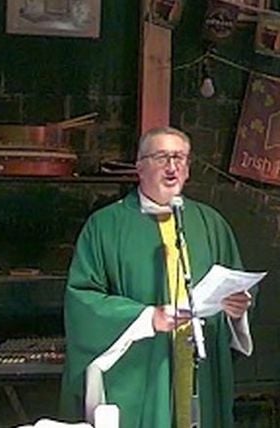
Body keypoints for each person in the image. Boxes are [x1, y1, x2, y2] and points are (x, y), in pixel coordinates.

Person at [59, 126, 254, 428]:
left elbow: (235, 283)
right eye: (162, 157)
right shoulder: (106, 226)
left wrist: (237, 311)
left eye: (180, 158)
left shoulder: (211, 224)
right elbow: (82, 300)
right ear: (140, 168)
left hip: (198, 365)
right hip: (140, 369)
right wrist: (148, 318)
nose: (172, 167)